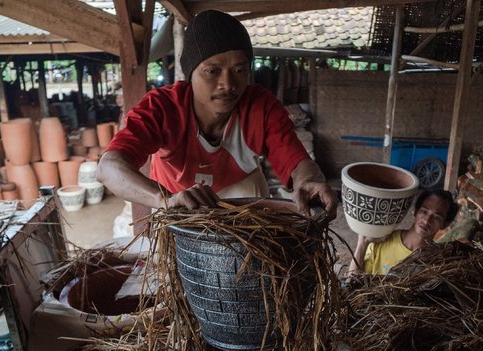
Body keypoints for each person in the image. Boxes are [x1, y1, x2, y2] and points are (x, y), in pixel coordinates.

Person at [97, 10, 337, 220]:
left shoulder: (261, 108)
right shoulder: (162, 108)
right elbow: (109, 168)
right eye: (212, 71)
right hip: (177, 203)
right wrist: (165, 200)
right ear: (191, 73)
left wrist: (307, 181)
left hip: (243, 200)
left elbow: (296, 161)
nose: (227, 84)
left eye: (239, 70)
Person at [348, 189, 458, 275]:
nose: (426, 220)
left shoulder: (435, 261)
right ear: (415, 211)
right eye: (424, 211)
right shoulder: (382, 240)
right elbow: (351, 282)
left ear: (445, 224)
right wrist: (362, 243)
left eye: (436, 217)